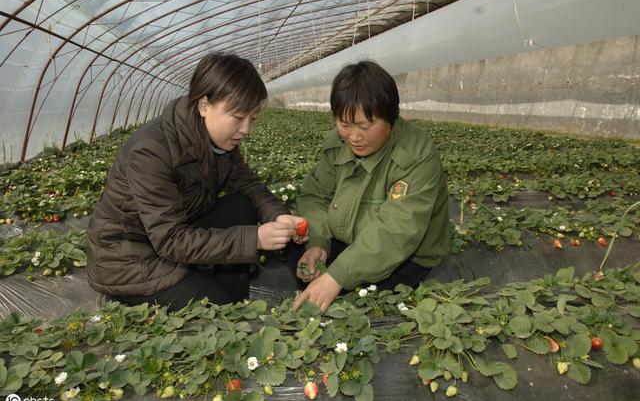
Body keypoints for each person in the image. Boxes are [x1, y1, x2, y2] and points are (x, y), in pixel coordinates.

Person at [86, 52, 306, 311]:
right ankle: (219, 302)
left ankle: (232, 300)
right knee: (222, 315)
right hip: (129, 259)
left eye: (253, 119)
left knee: (242, 205)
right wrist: (254, 239)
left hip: (173, 238)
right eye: (237, 117)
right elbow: (171, 240)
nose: (246, 129)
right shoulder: (151, 152)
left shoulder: (217, 141)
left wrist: (277, 215)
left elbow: (248, 184)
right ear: (204, 106)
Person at [290, 60, 451, 313]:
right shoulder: (336, 144)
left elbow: (397, 230)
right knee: (295, 255)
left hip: (405, 256)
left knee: (350, 309)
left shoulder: (416, 153)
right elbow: (314, 195)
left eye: (365, 126)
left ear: (391, 118)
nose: (354, 137)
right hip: (352, 239)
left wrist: (337, 276)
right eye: (345, 125)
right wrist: (318, 243)